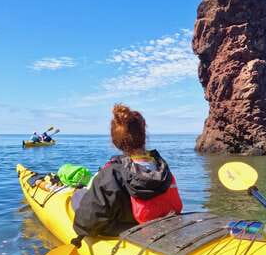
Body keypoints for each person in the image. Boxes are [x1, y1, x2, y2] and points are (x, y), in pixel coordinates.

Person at [71, 104, 183, 245]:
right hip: (159, 224)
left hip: (126, 230)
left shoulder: (111, 173)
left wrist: (80, 229)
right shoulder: (161, 167)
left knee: (77, 198)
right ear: (144, 136)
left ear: (115, 142)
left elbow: (87, 223)